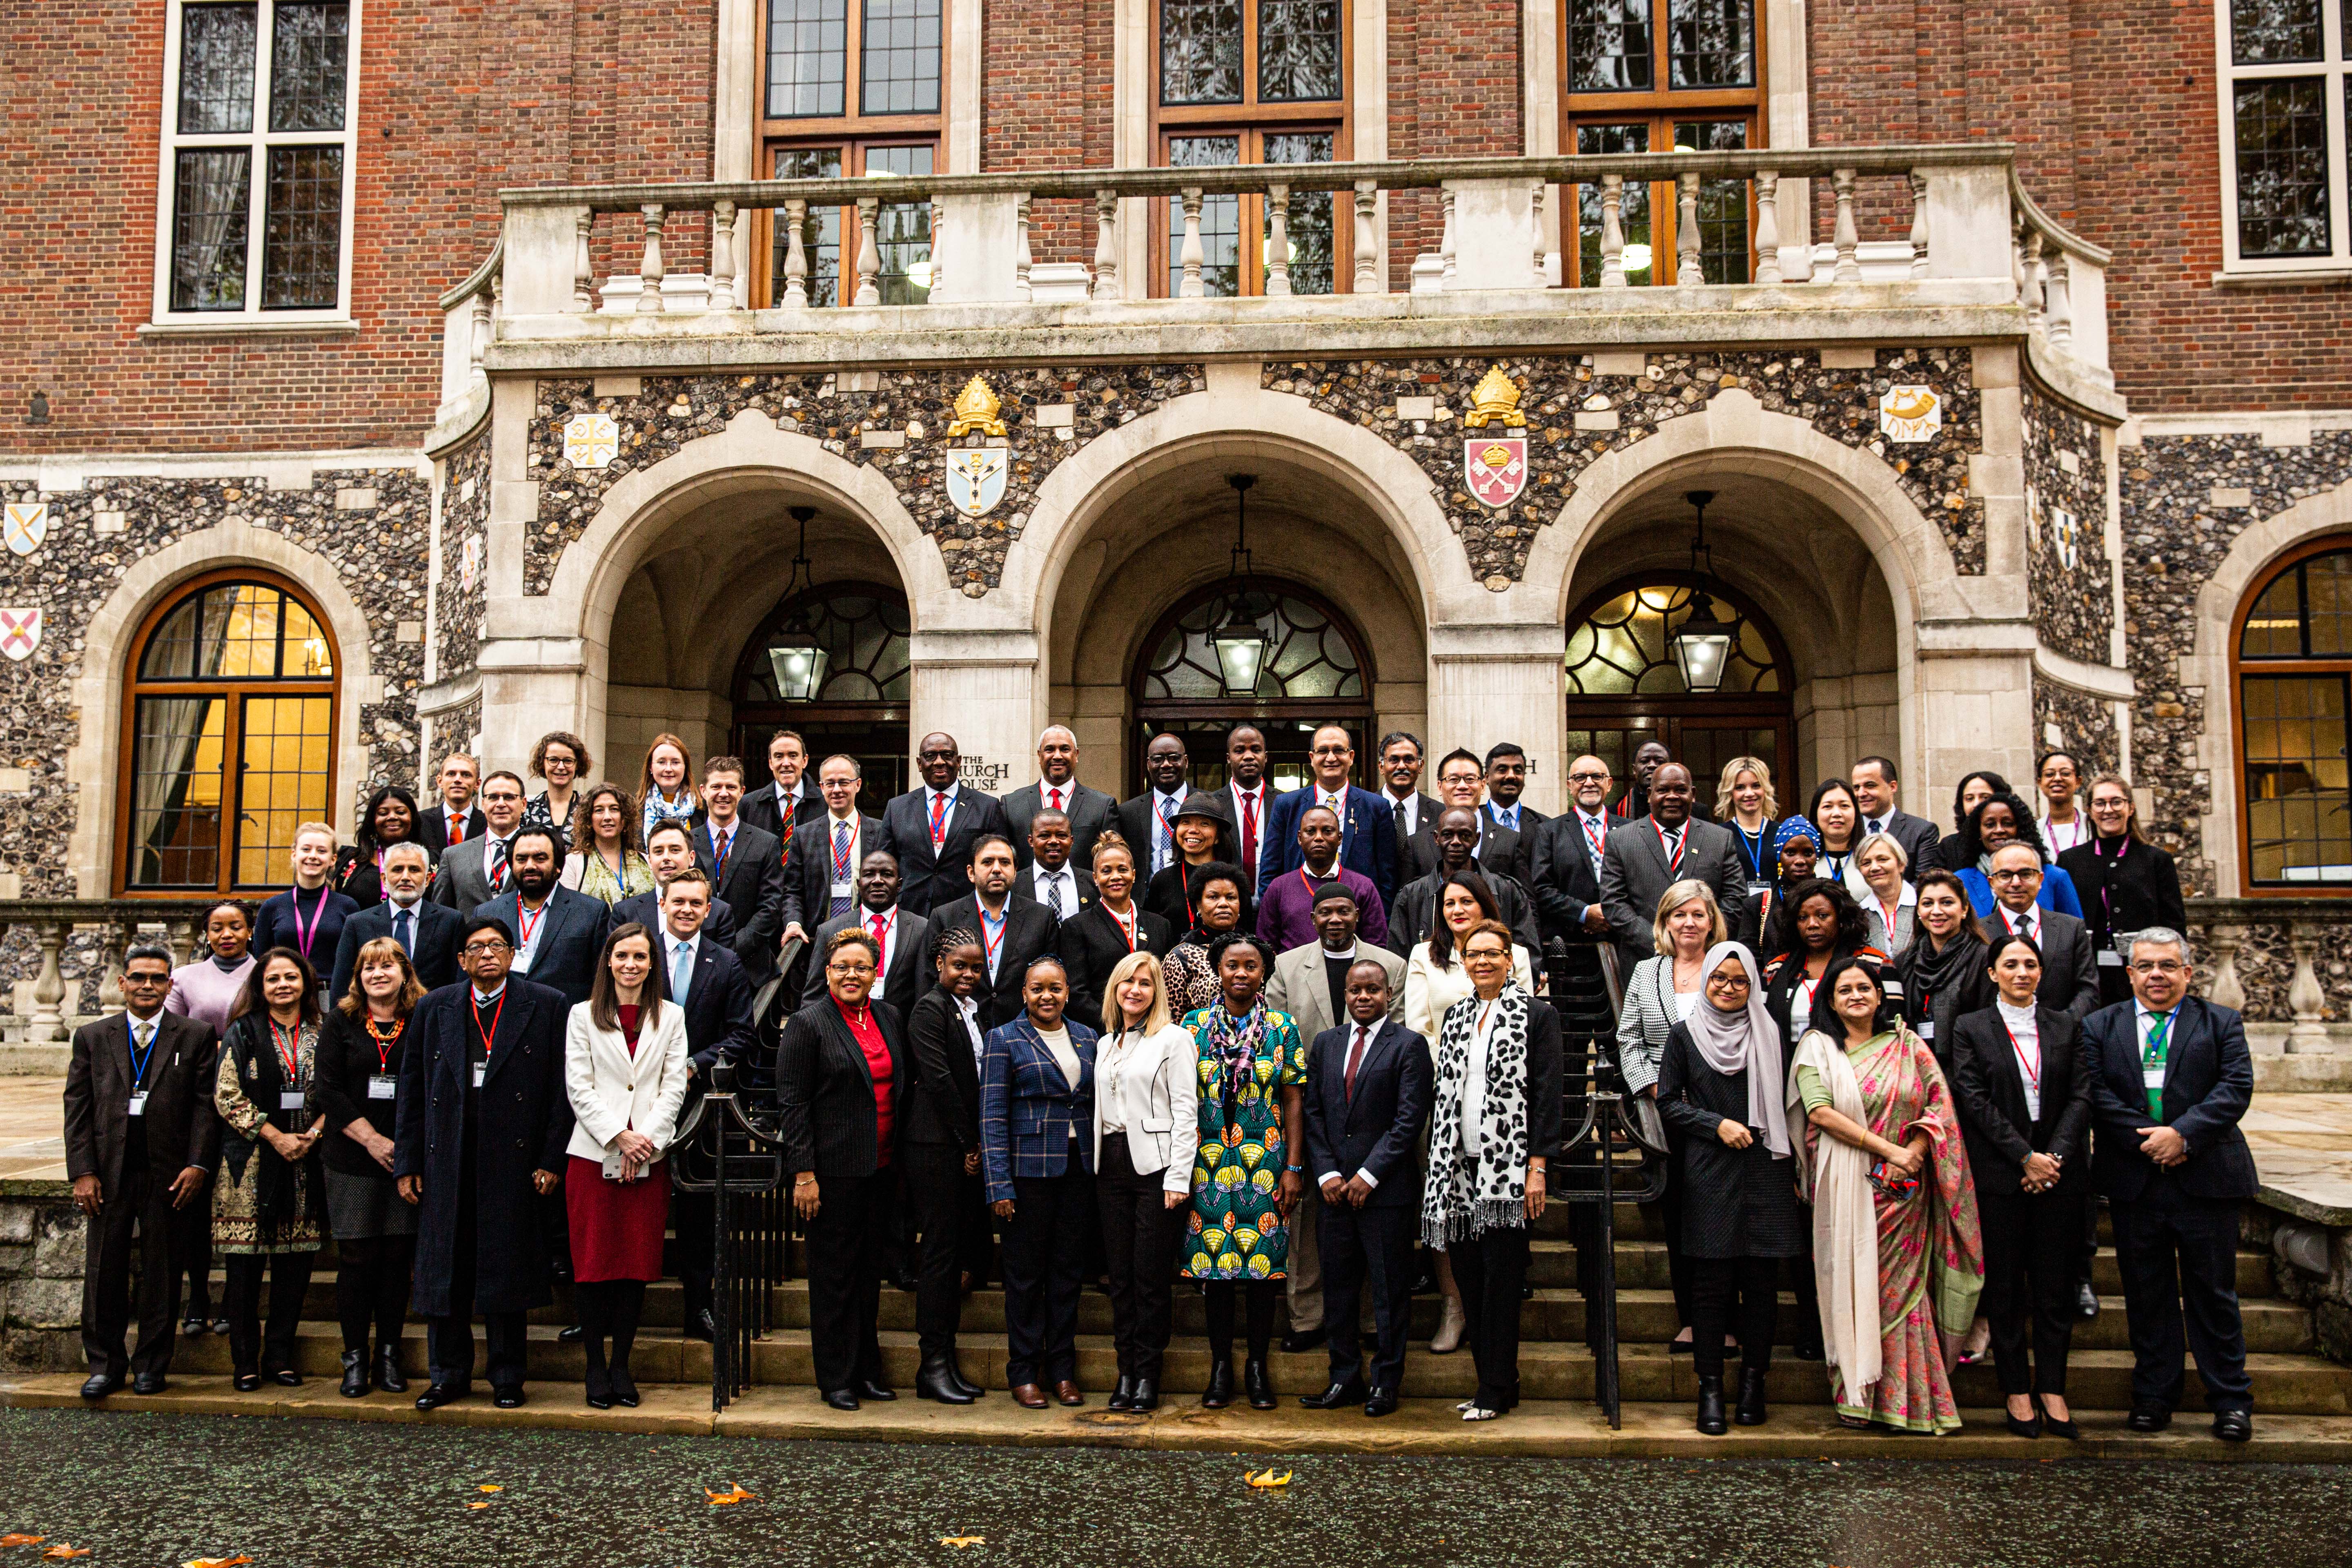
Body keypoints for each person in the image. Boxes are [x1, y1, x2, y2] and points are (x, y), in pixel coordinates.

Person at [1791, 956, 1983, 1433]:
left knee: (1904, 1293)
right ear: (1830, 1003)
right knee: (1854, 1285)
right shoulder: (1817, 1048)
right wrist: (1890, 1152)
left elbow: (1939, 1104)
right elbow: (1821, 1114)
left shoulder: (1909, 1046)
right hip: (1848, 1187)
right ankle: (1859, 1397)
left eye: (1864, 988)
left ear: (1881, 996)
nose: (1856, 996)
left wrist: (1916, 1150)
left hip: (1906, 1193)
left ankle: (1908, 1404)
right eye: (1845, 991)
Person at [2080, 929, 2258, 1443]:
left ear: (2187, 972)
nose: (2156, 974)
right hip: (2137, 1181)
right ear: (2130, 973)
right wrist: (2149, 1140)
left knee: (2214, 1295)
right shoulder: (2099, 1026)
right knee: (2146, 1295)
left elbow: (2235, 1088)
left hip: (2206, 1178)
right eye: (2146, 966)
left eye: (2167, 965)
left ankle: (2230, 1401)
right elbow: (2096, 1091)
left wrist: (2182, 1134)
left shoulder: (2222, 1022)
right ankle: (2155, 1397)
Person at [396, 915, 571, 1410]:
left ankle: (508, 1376)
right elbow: (412, 1090)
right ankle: (447, 1375)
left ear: (513, 955)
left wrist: (550, 1158)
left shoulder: (546, 1004)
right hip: (447, 1158)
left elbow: (562, 1091)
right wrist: (408, 1161)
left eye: (497, 945)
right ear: (462, 961)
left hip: (514, 1160)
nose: (488, 954)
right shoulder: (434, 1008)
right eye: (476, 948)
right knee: (444, 1269)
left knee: (505, 1268)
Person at [1949, 931, 2094, 1439]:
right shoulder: (1971, 1028)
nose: (2021, 973)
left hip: (2060, 1171)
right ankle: (2015, 1389)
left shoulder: (2065, 1026)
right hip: (2002, 1174)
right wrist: (2024, 1157)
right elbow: (1971, 1097)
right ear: (1992, 973)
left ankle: (2053, 1388)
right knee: (2007, 1289)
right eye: (2010, 964)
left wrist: (2051, 1158)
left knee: (2056, 1289)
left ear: (2041, 972)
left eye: (2030, 964)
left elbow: (2081, 1096)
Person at [1656, 942, 1802, 1432]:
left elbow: (1791, 1100)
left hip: (1766, 1170)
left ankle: (1752, 1387)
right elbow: (1668, 1103)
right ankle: (1711, 1389)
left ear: (1753, 985)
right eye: (1720, 978)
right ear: (1707, 979)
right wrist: (1715, 1124)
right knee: (1712, 1286)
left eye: (1740, 981)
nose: (1728, 988)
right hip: (1710, 1170)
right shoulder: (1684, 1035)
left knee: (1761, 1287)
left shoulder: (1771, 1033)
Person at [1421, 918, 1563, 1421]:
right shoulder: (1457, 1016)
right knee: (1468, 1277)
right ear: (1464, 961)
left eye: (1493, 954)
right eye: (1474, 954)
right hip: (1458, 1171)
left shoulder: (1537, 1016)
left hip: (1509, 1171)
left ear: (1509, 960)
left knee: (1501, 1284)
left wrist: (1538, 1167)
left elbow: (1548, 1095)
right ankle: (1497, 1384)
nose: (1483, 962)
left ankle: (1494, 1387)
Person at [65, 944, 215, 1398]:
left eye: (157, 978)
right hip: (109, 1172)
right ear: (122, 983)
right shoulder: (93, 1036)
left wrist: (197, 1163)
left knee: (163, 1272)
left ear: (171, 985)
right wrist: (82, 1171)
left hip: (168, 1172)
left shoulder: (195, 1035)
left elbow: (206, 1107)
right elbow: (77, 1109)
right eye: (139, 977)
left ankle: (152, 1365)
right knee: (103, 1270)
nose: (147, 985)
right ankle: (105, 1365)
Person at [1265, 883, 1406, 1357]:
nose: (1335, 919)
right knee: (1306, 1216)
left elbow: (1398, 1036)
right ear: (1313, 917)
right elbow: (1278, 1035)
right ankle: (1307, 1317)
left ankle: (1365, 1318)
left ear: (1358, 913)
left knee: (1370, 1221)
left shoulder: (1390, 965)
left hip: (1373, 1107)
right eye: (1325, 912)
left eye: (1344, 911)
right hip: (1307, 1107)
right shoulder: (1287, 966)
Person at [776, 927, 908, 1411]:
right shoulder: (809, 1024)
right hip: (831, 1175)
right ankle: (835, 1377)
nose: (853, 974)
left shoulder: (890, 1017)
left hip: (881, 1168)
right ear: (827, 972)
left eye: (862, 967)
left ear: (876, 974)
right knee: (834, 1279)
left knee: (870, 1276)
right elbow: (793, 1104)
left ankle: (867, 1371)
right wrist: (803, 1173)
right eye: (842, 967)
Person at [564, 923, 690, 1409]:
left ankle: (622, 1366)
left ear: (652, 964)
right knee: (595, 1266)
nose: (631, 965)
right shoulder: (582, 1015)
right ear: (609, 962)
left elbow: (673, 1087)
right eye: (623, 956)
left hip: (648, 1161)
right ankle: (595, 1367)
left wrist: (646, 1142)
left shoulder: (672, 1017)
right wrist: (619, 1136)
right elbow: (580, 1086)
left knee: (634, 1268)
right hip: (594, 1155)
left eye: (640, 956)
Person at [1298, 957, 1431, 1418]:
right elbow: (1312, 1113)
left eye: (1372, 990)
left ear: (1388, 996)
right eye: (1356, 990)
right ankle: (1344, 1377)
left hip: (1386, 1192)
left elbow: (1408, 1120)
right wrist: (1328, 1174)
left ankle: (1386, 1382)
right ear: (1346, 994)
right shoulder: (1325, 1044)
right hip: (1333, 1192)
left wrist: (1368, 1175)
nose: (1363, 997)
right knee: (1337, 1289)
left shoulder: (1409, 1046)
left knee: (1389, 1290)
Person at [1179, 932, 1307, 1410]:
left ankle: (1256, 1367)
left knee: (1261, 1271)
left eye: (1250, 966)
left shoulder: (1281, 1026)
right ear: (1219, 969)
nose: (1240, 974)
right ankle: (1219, 1369)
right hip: (1206, 1164)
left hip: (1267, 1164)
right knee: (1216, 1273)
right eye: (1232, 965)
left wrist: (1294, 1167)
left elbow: (1293, 1099)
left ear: (1263, 973)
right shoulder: (1191, 1028)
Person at [1616, 879, 1731, 1350]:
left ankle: (1725, 1321)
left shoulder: (1729, 967)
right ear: (1665, 922)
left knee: (1722, 1220)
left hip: (1724, 1112)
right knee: (1681, 1217)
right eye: (1679, 915)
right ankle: (1691, 1318)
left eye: (1698, 915)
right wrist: (1652, 1087)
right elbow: (1629, 1038)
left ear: (1711, 922)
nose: (1689, 923)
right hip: (1669, 1113)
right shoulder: (1647, 972)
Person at [209, 948, 330, 1390]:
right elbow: (226, 1095)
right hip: (250, 1166)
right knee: (243, 1274)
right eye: (273, 978)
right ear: (260, 987)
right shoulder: (242, 1032)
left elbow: (337, 1093)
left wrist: (312, 1136)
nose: (283, 985)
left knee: (294, 1272)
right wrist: (275, 1136)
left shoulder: (324, 1030)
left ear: (306, 982)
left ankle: (280, 1357)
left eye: (291, 977)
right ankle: (245, 1361)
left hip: (305, 1166)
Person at [982, 956, 1098, 1408]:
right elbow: (991, 1115)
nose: (1046, 996)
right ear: (1024, 994)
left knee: (1067, 1274)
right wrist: (999, 1186)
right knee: (1025, 1277)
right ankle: (1024, 1370)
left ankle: (1063, 1371)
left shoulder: (1089, 1038)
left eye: (1055, 988)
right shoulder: (1004, 1039)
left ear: (1068, 992)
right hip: (1026, 1175)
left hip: (1077, 1171)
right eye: (1037, 989)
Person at [313, 938, 425, 1398]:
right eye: (368, 969)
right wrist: (373, 1140)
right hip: (352, 1158)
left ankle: (390, 1354)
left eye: (387, 967)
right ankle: (355, 1358)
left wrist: (406, 1148)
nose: (378, 975)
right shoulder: (340, 1020)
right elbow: (328, 1090)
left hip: (407, 1158)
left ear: (405, 972)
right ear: (358, 977)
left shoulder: (422, 1017)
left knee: (398, 1260)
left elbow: (431, 1083)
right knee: (357, 1260)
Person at [1091, 951, 1201, 1412]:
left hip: (1156, 1169)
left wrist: (1178, 1176)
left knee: (1150, 1277)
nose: (1134, 990)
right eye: (1126, 982)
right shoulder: (1105, 1044)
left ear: (1157, 992)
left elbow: (1185, 1111)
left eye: (1144, 983)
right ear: (1114, 990)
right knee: (1120, 1277)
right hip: (1111, 1166)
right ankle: (1126, 1371)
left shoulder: (1174, 1039)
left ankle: (1147, 1378)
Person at [650, 867, 757, 1341]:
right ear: (664, 905)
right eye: (679, 902)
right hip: (637, 1100)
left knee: (697, 1214)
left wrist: (694, 1064)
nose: (687, 910)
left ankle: (700, 1308)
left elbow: (742, 1033)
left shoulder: (726, 962)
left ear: (708, 909)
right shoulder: (638, 955)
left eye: (696, 903)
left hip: (698, 1105)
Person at [904, 929, 993, 1404]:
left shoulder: (972, 1011)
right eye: (959, 966)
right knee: (939, 1257)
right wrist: (969, 1143)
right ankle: (931, 1365)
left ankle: (947, 1363)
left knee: (954, 1252)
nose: (968, 975)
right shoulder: (929, 1008)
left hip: (958, 1143)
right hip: (935, 1145)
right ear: (940, 964)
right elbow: (938, 1080)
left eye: (976, 968)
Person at [164, 900, 251, 1337]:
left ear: (249, 931)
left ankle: (236, 1303)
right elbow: (171, 1035)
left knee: (239, 1202)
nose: (227, 935)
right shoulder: (185, 977)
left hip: (249, 1097)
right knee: (195, 1206)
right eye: (217, 928)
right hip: (196, 1097)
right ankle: (198, 1296)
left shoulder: (265, 970)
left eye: (235, 926)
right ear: (207, 933)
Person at [1601, 762, 1753, 975]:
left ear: (1693, 795)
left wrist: (1704, 940)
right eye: (1663, 790)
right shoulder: (1621, 840)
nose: (1672, 796)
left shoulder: (1719, 839)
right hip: (1643, 961)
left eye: (1680, 790)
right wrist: (1659, 942)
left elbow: (1735, 896)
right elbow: (1613, 902)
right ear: (1649, 794)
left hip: (1707, 962)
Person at [2058, 773, 2187, 1009]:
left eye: (2116, 802)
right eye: (2100, 803)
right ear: (2089, 810)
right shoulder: (2070, 861)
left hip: (2144, 973)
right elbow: (2060, 919)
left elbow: (2174, 923)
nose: (2109, 810)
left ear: (2131, 808)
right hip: (2086, 972)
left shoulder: (2157, 860)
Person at [927, 834, 1059, 1030]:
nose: (997, 869)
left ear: (1015, 872)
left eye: (1005, 863)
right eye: (987, 862)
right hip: (960, 1031)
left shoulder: (1042, 918)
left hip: (1025, 1032)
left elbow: (1053, 978)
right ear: (971, 873)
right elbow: (929, 978)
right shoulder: (945, 917)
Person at [1261, 724, 1401, 906]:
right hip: (1299, 912)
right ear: (1312, 758)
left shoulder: (1376, 807)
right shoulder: (1287, 806)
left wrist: (1380, 920)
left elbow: (1388, 877)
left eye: (1338, 750)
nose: (1331, 758)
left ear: (1351, 757)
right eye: (1323, 751)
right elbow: (1269, 872)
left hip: (1358, 913)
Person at [476, 826, 611, 1008]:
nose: (530, 866)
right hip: (500, 1022)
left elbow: (602, 980)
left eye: (540, 858)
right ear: (511, 865)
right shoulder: (488, 913)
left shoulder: (591, 913)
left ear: (558, 866)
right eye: (522, 859)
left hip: (564, 1022)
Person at [880, 732, 1013, 916]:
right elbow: (885, 862)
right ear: (920, 764)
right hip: (910, 912)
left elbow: (1001, 859)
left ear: (958, 761)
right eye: (930, 756)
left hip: (966, 912)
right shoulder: (897, 808)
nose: (940, 762)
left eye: (947, 756)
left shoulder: (987, 807)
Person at [1389, 806, 1539, 959]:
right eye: (1448, 835)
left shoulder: (1506, 890)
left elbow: (1527, 955)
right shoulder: (1412, 895)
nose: (1456, 842)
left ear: (1477, 839)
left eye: (1465, 835)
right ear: (1436, 838)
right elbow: (1398, 958)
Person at [1059, 834, 1176, 1027]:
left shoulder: (1160, 925)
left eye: (1123, 870)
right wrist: (1118, 1023)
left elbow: (1168, 985)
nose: (1116, 877)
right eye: (1106, 871)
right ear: (1095, 878)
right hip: (1103, 1032)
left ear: (1134, 874)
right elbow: (1077, 993)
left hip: (1154, 1031)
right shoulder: (1077, 927)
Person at [1762, 878, 1892, 1049]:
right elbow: (1762, 1026)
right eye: (1802, 918)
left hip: (1860, 1065)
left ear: (1841, 918)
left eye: (1823, 916)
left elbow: (1893, 1026)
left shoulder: (1876, 963)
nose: (1812, 924)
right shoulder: (1776, 969)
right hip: (1788, 1066)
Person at [1979, 843, 2100, 1025]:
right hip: (1999, 1038)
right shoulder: (1978, 933)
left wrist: (2064, 1025)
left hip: (2064, 1037)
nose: (2016, 883)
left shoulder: (2071, 928)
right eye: (2005, 875)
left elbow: (2088, 989)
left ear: (2041, 879)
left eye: (2026, 874)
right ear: (1992, 883)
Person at [695, 756, 788, 984]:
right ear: (704, 791)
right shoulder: (688, 842)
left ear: (742, 792)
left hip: (751, 968)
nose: (723, 793)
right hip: (695, 961)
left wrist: (731, 948)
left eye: (731, 787)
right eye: (716, 787)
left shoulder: (765, 843)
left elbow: (771, 906)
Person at [332, 840, 463, 999]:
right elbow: (341, 985)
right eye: (398, 870)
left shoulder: (451, 921)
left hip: (433, 1019)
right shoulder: (358, 923)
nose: (406, 877)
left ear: (428, 879)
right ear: (384, 879)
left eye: (414, 870)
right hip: (372, 1020)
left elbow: (459, 984)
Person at [801, 850, 930, 1010]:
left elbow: (925, 994)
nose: (878, 881)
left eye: (886, 874)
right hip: (844, 1029)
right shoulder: (830, 930)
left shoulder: (922, 929)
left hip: (900, 1030)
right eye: (869, 874)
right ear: (859, 883)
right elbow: (814, 995)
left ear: (899, 885)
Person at [782, 753, 883, 955]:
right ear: (821, 788)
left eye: (844, 782)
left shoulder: (880, 832)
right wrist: (793, 923)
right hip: (816, 940)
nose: (837, 790)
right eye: (830, 784)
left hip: (868, 940)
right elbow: (793, 889)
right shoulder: (804, 835)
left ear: (858, 785)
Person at [1258, 803, 1390, 953]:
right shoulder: (1279, 887)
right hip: (1293, 975)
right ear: (1300, 838)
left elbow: (1376, 945)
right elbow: (1266, 946)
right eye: (1311, 831)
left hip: (1350, 974)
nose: (1319, 838)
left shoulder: (1362, 886)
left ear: (1340, 838)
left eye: (1328, 831)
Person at [1896, 869, 1996, 1065]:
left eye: (1947, 902)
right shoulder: (1904, 961)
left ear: (1965, 909)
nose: (1936, 911)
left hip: (1969, 1069)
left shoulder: (1985, 958)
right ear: (1918, 912)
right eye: (1927, 904)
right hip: (1916, 1070)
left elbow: (1988, 1025)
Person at [1527, 753, 1621, 958]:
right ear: (1570, 786)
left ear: (1609, 784)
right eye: (1580, 778)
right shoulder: (1549, 831)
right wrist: (1585, 914)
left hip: (1623, 941)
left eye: (1597, 776)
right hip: (1571, 946)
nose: (1589, 783)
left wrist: (1614, 914)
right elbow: (1541, 888)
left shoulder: (1630, 829)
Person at [255, 822, 359, 987]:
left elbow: (356, 961)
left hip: (330, 997)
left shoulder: (348, 906)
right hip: (285, 996)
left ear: (333, 860)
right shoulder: (272, 907)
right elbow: (261, 962)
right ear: (294, 855)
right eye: (306, 849)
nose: (313, 856)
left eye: (322, 851)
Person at [1001, 726, 1118, 871]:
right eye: (1050, 750)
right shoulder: (1012, 805)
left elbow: (1111, 861)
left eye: (1065, 749)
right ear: (1039, 755)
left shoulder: (1102, 806)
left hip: (1082, 893)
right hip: (1026, 892)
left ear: (1076, 755)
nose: (1057, 756)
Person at [1403, 750, 1528, 886]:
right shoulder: (1417, 844)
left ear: (1482, 785)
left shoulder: (1510, 840)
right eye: (1453, 779)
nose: (1462, 786)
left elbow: (1525, 900)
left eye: (1470, 779)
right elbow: (1408, 900)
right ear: (1440, 787)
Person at [1953, 792, 2085, 919]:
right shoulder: (1961, 880)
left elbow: (2074, 932)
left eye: (2008, 823)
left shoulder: (2055, 877)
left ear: (2021, 828)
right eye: (1990, 825)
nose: (1999, 830)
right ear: (1979, 832)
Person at [614, 819, 740, 948]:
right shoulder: (625, 913)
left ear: (691, 858)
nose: (666, 858)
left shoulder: (719, 913)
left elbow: (725, 965)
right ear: (650, 861)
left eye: (675, 850)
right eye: (658, 851)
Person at [431, 770, 529, 911]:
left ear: (523, 804)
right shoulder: (454, 856)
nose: (501, 804)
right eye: (493, 797)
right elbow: (441, 915)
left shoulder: (539, 854)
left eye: (509, 797)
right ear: (483, 804)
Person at [1162, 864, 1250, 1016]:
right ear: (1199, 906)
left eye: (1231, 897)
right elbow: (1170, 1020)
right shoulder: (1180, 957)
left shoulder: (1256, 950)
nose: (1223, 904)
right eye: (1213, 897)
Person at [1142, 794, 1234, 931]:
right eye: (1186, 822)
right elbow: (1152, 933)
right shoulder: (1162, 880)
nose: (1193, 830)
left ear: (1218, 837)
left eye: (1204, 824)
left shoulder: (1233, 879)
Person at [334, 785, 433, 907]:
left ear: (413, 818)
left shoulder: (433, 862)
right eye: (383, 813)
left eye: (400, 812)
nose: (392, 817)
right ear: (372, 820)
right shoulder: (349, 861)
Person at [560, 781, 655, 906]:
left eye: (614, 809)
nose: (607, 817)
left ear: (625, 817)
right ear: (589, 819)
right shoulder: (572, 864)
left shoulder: (646, 862)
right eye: (599, 810)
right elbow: (568, 913)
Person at [1118, 731, 1194, 880]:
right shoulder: (1127, 812)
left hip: (1193, 896)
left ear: (1185, 761)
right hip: (1147, 900)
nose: (1166, 765)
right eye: (1158, 760)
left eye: (1174, 758)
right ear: (1148, 764)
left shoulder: (1207, 803)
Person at [1848, 756, 1942, 873]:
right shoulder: (1847, 829)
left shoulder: (1921, 831)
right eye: (1857, 788)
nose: (1861, 794)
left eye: (1870, 786)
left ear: (1893, 787)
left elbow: (1923, 882)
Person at [1218, 725, 1277, 891]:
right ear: (1229, 758)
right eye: (1240, 751)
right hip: (1228, 901)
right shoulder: (1213, 803)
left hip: (1274, 900)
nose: (1249, 756)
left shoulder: (1284, 802)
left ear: (1265, 757)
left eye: (1256, 750)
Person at [1750, 817, 1821, 950]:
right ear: (1779, 857)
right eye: (1790, 853)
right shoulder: (1756, 905)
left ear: (1816, 857)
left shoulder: (1833, 900)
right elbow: (1751, 958)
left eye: (1808, 853)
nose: (1800, 861)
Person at [741, 729, 826, 840]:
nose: (786, 763)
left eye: (793, 756)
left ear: (805, 761)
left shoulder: (826, 802)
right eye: (779, 757)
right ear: (771, 763)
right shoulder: (748, 805)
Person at [1717, 756, 1780, 899]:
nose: (1749, 793)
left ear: (1766, 789)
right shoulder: (1719, 835)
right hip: (1736, 915)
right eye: (1740, 788)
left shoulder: (1781, 833)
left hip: (1776, 916)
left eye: (1756, 786)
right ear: (1730, 793)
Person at [1016, 808, 1095, 919]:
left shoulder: (1094, 884)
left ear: (1071, 841)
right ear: (1031, 841)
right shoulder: (1014, 885)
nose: (1054, 841)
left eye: (1061, 835)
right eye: (1045, 835)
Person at [1853, 832, 1918, 957]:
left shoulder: (1923, 905)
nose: (1874, 868)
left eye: (1883, 859)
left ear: (1901, 864)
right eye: (1866, 863)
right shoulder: (1859, 914)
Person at [524, 730, 591, 849]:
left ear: (578, 765)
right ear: (542, 763)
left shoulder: (590, 808)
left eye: (568, 761)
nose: (561, 767)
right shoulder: (528, 810)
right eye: (554, 760)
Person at [1377, 729, 1439, 844]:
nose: (1401, 766)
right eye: (1394, 760)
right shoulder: (1365, 808)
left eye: (1409, 759)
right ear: (1381, 767)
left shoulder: (1439, 812)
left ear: (1421, 766)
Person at [418, 751, 486, 855]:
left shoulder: (487, 824)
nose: (458, 780)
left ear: (477, 784)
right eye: (451, 774)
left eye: (466, 775)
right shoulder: (421, 821)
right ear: (440, 781)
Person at [638, 731, 699, 842]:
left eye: (675, 762)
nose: (669, 769)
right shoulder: (634, 809)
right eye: (661, 762)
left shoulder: (702, 809)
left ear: (685, 767)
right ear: (650, 768)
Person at [1808, 779, 1865, 886]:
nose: (1837, 814)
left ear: (1856, 814)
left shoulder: (1870, 858)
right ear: (1816, 816)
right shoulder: (1807, 861)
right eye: (1828, 807)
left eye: (1844, 806)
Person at [2035, 750, 2091, 858]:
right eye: (2049, 774)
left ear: (2078, 781)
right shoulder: (2035, 830)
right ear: (2040, 783)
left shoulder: (2092, 826)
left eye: (2065, 773)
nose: (2057, 779)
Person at [1482, 742, 1546, 833]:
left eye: (1518, 771)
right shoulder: (1474, 820)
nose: (1511, 776)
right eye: (1502, 770)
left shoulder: (1543, 825)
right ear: (1487, 778)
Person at [1624, 738, 1673, 821]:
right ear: (1634, 770)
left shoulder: (1698, 812)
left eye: (1660, 762)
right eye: (1644, 761)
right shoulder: (1614, 812)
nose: (1652, 765)